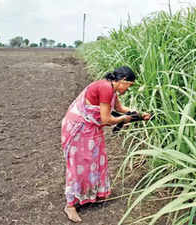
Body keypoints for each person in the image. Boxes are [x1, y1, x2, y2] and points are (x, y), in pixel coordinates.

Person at [61, 66, 151, 222]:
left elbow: (121, 109)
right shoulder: (106, 88)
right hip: (79, 128)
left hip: (90, 127)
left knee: (94, 160)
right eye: (129, 85)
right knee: (79, 164)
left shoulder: (111, 89)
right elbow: (107, 120)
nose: (128, 89)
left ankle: (89, 195)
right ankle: (70, 206)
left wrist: (140, 114)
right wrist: (124, 119)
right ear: (122, 80)